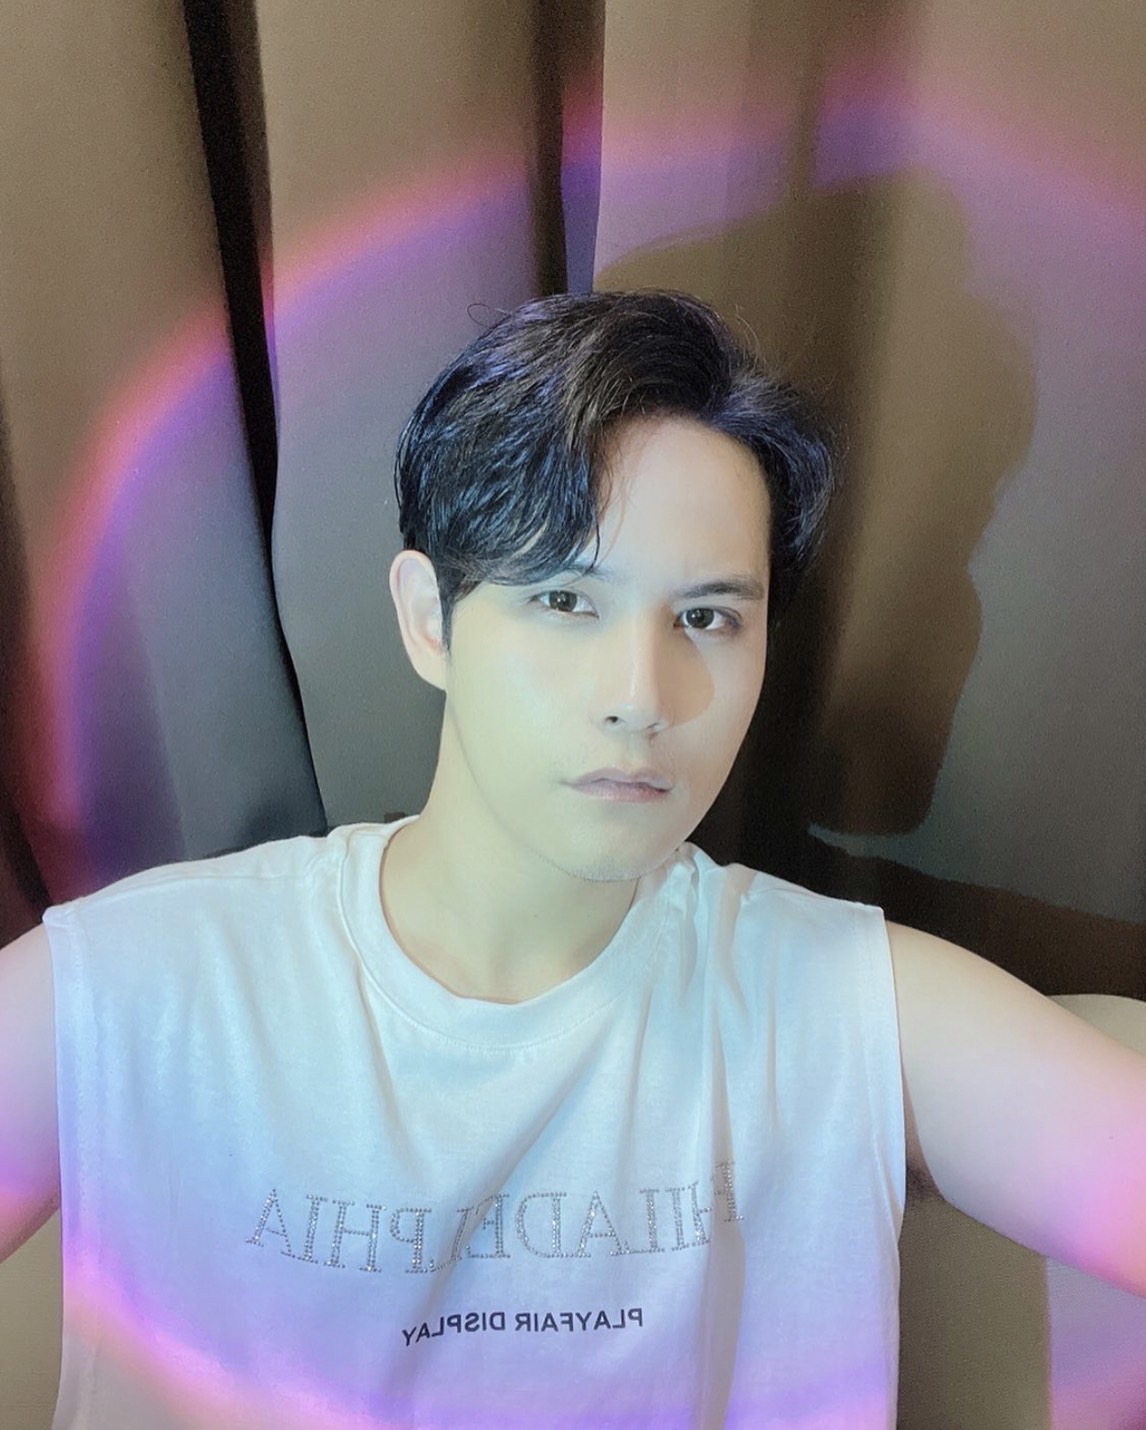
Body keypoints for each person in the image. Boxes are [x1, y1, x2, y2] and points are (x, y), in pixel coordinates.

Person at [1, 289, 1143, 1429]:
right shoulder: (130, 987)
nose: (641, 698)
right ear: (430, 618)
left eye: (706, 618)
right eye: (564, 598)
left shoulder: (848, 1005)